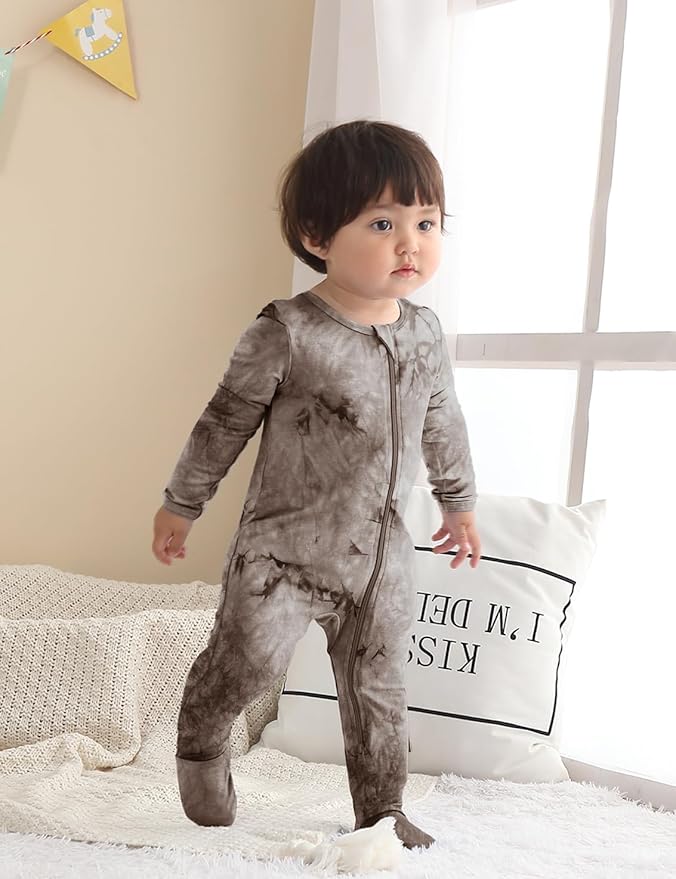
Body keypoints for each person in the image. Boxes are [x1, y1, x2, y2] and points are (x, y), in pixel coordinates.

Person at [151, 119, 481, 850]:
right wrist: (183, 503)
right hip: (281, 554)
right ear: (317, 235)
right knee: (252, 661)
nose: (411, 243)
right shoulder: (288, 329)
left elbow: (443, 420)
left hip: (379, 556)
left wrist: (458, 501)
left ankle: (382, 809)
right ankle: (202, 732)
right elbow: (225, 420)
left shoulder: (424, 332)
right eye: (383, 223)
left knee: (378, 686)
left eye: (427, 222)